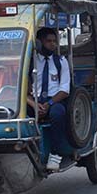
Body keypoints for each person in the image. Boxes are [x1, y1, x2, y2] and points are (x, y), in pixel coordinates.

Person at [28, 27, 72, 172]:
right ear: (39, 43)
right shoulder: (29, 63)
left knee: (58, 114)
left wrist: (49, 104)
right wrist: (34, 104)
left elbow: (65, 90)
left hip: (54, 100)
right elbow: (22, 90)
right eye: (49, 41)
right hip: (34, 100)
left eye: (55, 41)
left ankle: (55, 153)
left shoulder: (61, 61)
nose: (53, 44)